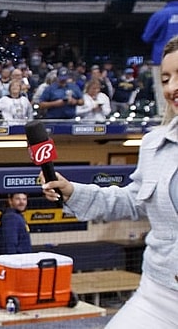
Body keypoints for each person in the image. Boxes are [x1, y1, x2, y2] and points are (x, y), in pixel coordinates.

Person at [41, 34, 178, 328]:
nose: (172, 88)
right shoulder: (154, 144)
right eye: (166, 79)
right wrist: (72, 191)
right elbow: (132, 201)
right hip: (161, 297)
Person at [142, 0, 178, 116]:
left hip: (163, 60)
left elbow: (146, 37)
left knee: (164, 90)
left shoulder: (160, 14)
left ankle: (165, 120)